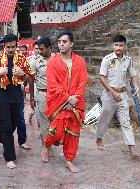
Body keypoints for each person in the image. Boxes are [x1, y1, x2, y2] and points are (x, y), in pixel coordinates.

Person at [41, 31, 87, 173]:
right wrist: (67, 98)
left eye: (64, 41)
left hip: (75, 103)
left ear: (71, 44)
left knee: (73, 134)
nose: (61, 44)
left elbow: (82, 81)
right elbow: (53, 84)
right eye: (59, 41)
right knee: (55, 131)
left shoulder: (80, 61)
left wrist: (75, 99)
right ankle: (46, 146)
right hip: (59, 102)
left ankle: (69, 160)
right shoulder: (52, 61)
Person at [0, 34, 34, 169]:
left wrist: (22, 74)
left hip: (16, 95)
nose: (10, 49)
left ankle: (2, 135)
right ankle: (9, 157)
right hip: (1, 94)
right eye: (8, 47)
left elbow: (30, 79)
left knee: (13, 123)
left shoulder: (22, 59)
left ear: (16, 46)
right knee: (7, 125)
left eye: (13, 46)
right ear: (4, 46)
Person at [96, 34, 140, 159]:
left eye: (121, 45)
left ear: (124, 46)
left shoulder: (128, 60)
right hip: (109, 95)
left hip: (122, 95)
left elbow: (133, 75)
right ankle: (99, 139)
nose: (118, 48)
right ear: (113, 45)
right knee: (104, 118)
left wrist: (136, 86)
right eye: (116, 45)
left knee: (126, 122)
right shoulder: (107, 59)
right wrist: (112, 92)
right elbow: (101, 77)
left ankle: (132, 149)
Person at [29, 37, 52, 141]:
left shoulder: (58, 59)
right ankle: (46, 144)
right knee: (44, 120)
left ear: (49, 48)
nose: (39, 51)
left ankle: (52, 140)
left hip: (57, 94)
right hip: (42, 94)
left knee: (56, 119)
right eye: (38, 49)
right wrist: (32, 98)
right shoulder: (35, 62)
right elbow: (31, 80)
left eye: (42, 49)